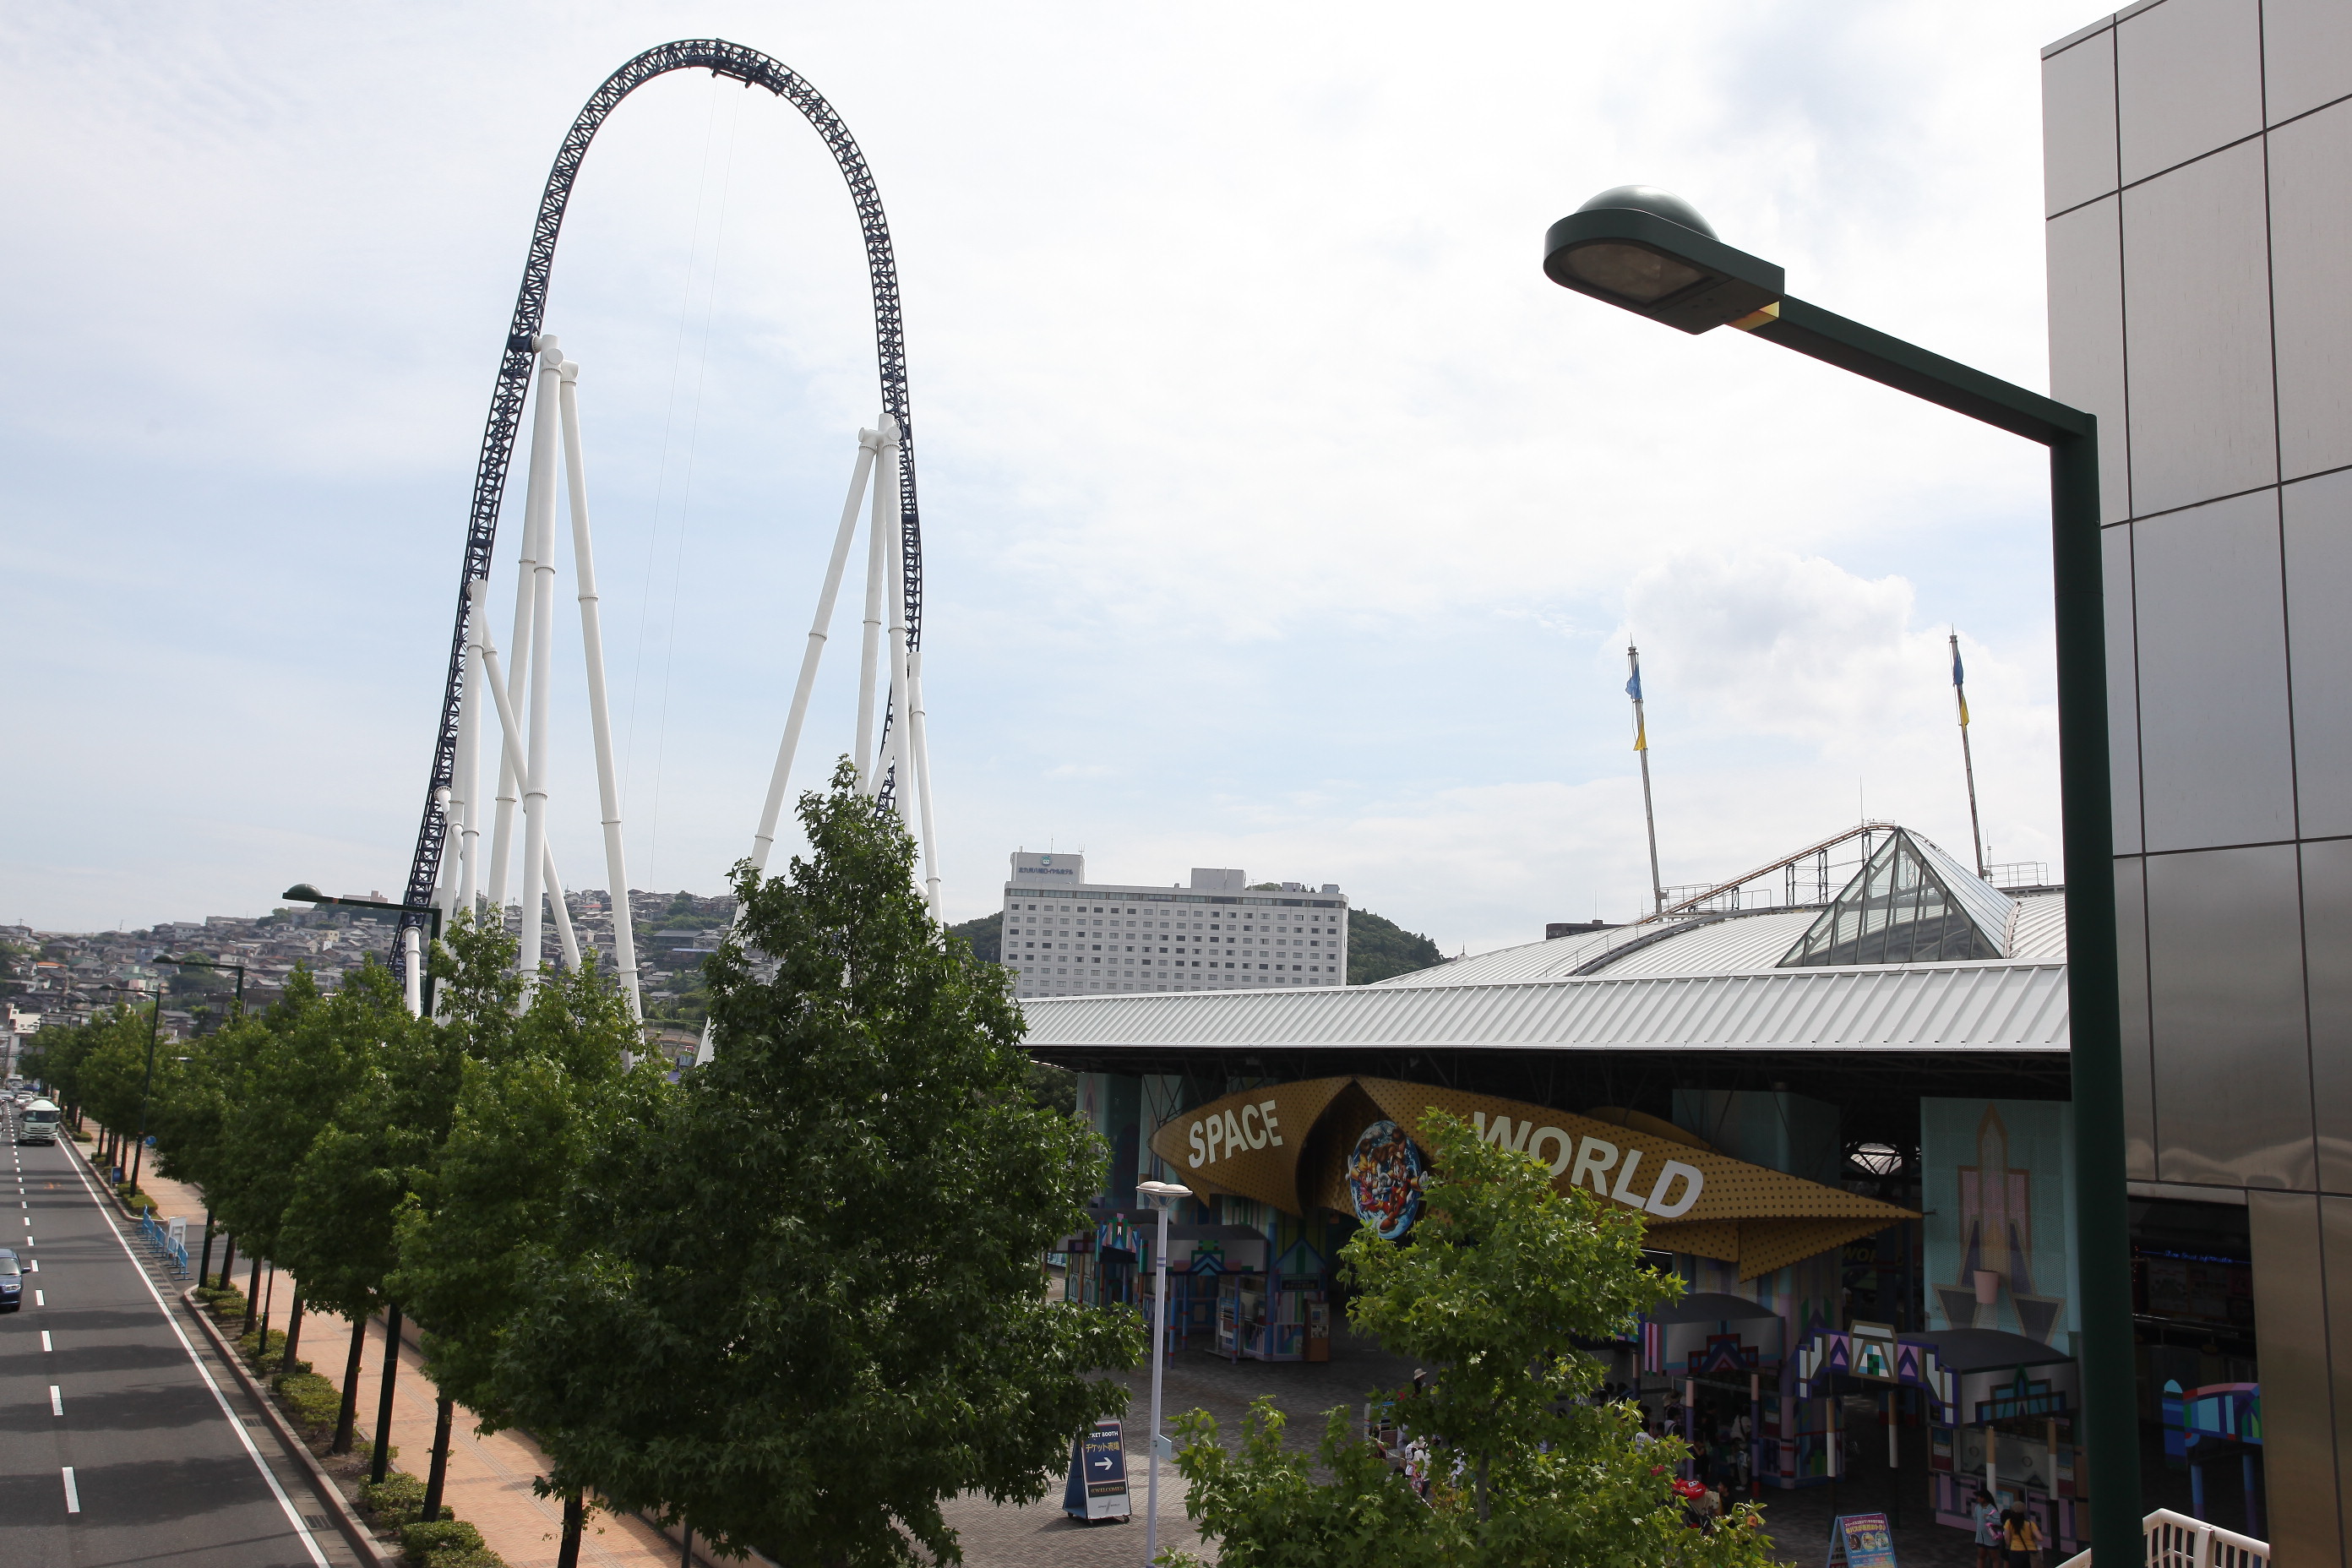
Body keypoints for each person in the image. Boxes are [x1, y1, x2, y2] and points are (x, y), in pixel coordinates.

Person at [2004, 1504, 2043, 1568]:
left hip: (2015, 1551)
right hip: (2030, 1552)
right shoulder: (2030, 1523)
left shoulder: (2009, 1523)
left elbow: (2007, 1539)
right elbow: (2040, 1538)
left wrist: (2010, 1546)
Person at [1974, 1488, 2003, 1568]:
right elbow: (1975, 1518)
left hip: (1991, 1539)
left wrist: (1989, 1518)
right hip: (1980, 1538)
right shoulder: (1977, 1507)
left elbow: (1999, 1522)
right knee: (1981, 1557)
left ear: (1984, 1498)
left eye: (1979, 1497)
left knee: (1994, 1558)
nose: (1977, 1498)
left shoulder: (1992, 1509)